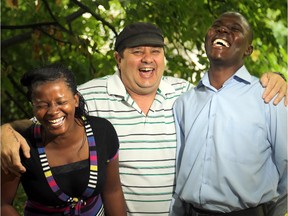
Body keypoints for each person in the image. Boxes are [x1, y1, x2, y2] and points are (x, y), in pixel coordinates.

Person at [1, 22, 287, 216]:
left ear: (164, 58)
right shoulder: (90, 96)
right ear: (118, 58)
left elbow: (233, 101)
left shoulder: (187, 95)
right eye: (137, 52)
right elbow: (44, 121)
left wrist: (276, 79)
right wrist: (5, 130)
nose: (147, 59)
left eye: (155, 52)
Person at [170, 11, 287, 216]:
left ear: (248, 50)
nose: (223, 30)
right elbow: (179, 170)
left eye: (235, 29)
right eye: (217, 26)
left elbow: (286, 166)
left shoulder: (270, 98)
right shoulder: (184, 103)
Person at [1, 64, 127, 216]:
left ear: (75, 99)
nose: (53, 111)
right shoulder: (22, 146)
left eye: (61, 102)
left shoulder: (102, 132)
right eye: (42, 105)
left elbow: (112, 192)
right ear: (33, 107)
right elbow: (3, 204)